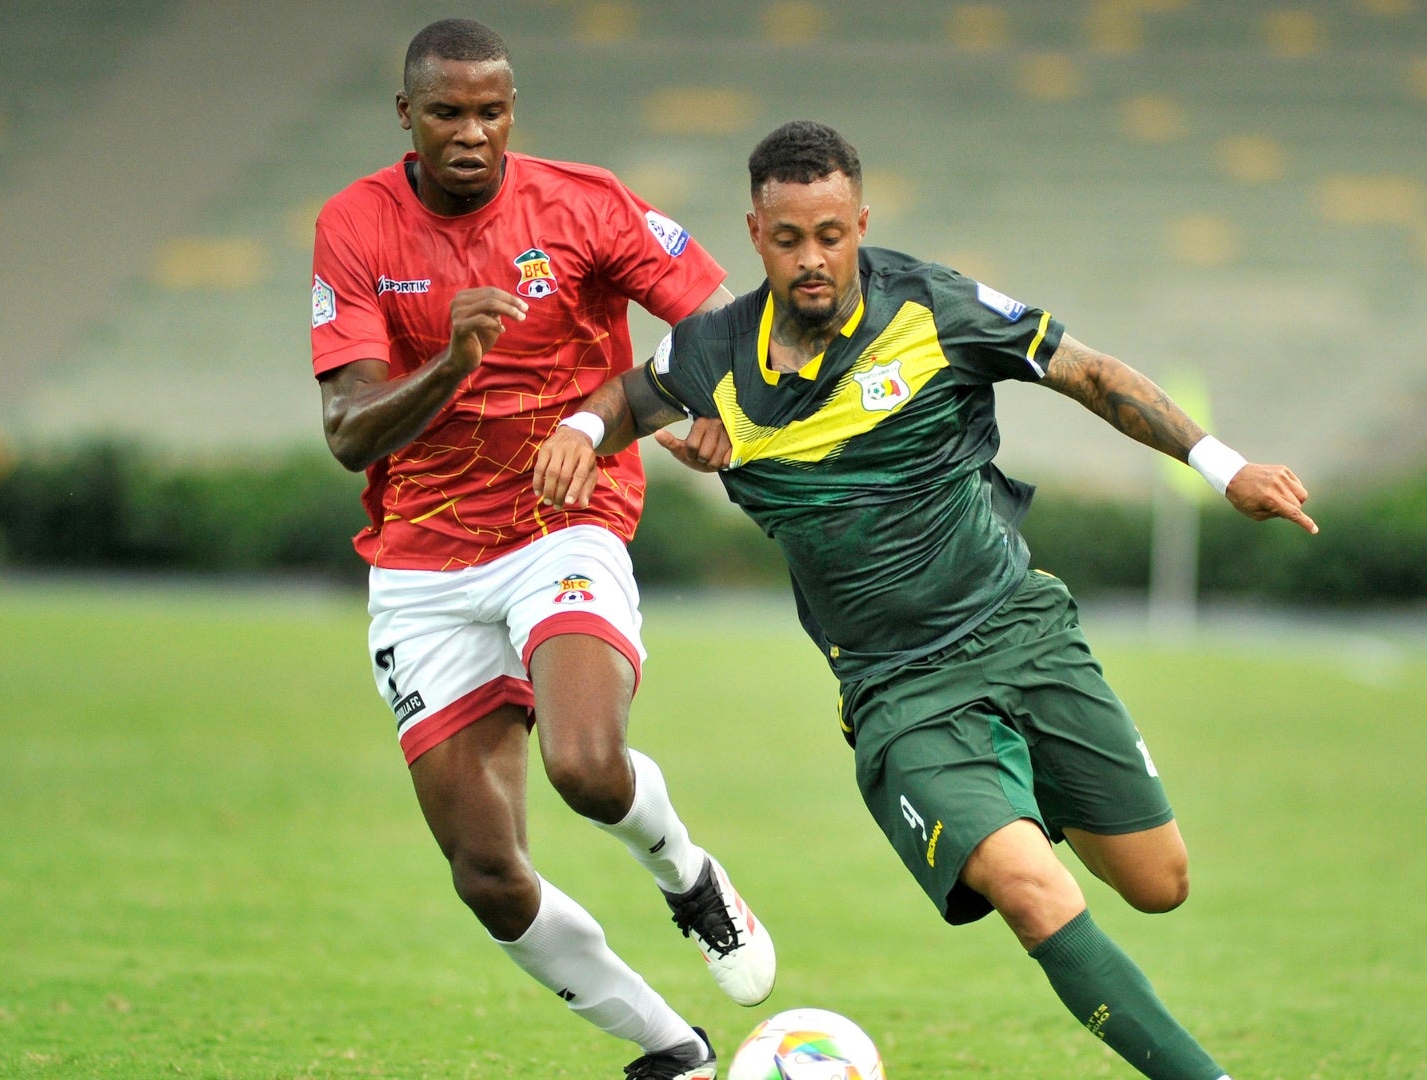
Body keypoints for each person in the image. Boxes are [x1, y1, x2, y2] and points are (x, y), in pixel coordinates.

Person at [534, 120, 1319, 1080]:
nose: (812, 259)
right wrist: (581, 429)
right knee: (1031, 891)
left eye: (832, 235)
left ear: (861, 225)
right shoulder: (714, 354)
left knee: (1160, 883)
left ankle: (1018, 787)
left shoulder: (933, 307)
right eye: (789, 239)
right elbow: (630, 395)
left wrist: (1225, 467)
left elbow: (1088, 371)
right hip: (898, 691)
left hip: (1019, 628)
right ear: (755, 235)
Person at [309, 20, 772, 1080]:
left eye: (491, 112)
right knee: (486, 872)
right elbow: (348, 432)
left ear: (513, 110)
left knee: (585, 765)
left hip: (562, 516)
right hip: (423, 563)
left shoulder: (583, 205)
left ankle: (689, 878)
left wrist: (709, 404)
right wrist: (452, 361)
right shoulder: (355, 225)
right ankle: (672, 1049)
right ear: (406, 116)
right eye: (447, 113)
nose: (472, 133)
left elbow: (723, 324)